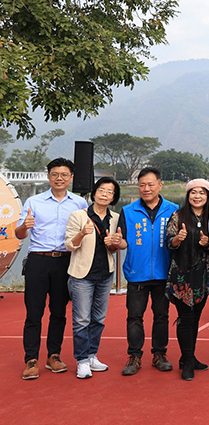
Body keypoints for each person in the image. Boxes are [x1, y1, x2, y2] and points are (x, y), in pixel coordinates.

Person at [16, 157, 88, 380]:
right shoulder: (34, 202)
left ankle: (53, 356)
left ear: (71, 178)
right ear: (48, 177)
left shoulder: (79, 203)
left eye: (64, 175)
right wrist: (24, 227)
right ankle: (31, 359)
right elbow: (19, 234)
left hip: (66, 261)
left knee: (59, 312)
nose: (59, 178)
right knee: (34, 312)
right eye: (55, 174)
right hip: (38, 260)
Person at [119, 167, 179, 376]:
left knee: (161, 316)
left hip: (164, 273)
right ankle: (135, 356)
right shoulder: (128, 211)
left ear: (160, 185)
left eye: (151, 184)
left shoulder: (174, 210)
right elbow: (124, 240)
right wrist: (118, 243)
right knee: (134, 317)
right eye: (142, 185)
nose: (146, 189)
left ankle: (159, 354)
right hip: (137, 273)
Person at [64, 177, 124, 379]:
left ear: (114, 197)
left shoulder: (115, 217)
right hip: (82, 275)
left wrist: (114, 243)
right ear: (94, 192)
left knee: (98, 319)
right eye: (102, 190)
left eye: (110, 192)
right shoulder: (78, 216)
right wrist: (82, 233)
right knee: (81, 320)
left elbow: (116, 247)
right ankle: (81, 361)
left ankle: (92, 355)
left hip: (105, 274)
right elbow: (69, 246)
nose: (105, 194)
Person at [165, 179, 209, 381]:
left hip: (203, 276)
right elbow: (168, 242)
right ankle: (186, 361)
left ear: (207, 196)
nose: (197, 196)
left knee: (195, 317)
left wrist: (208, 243)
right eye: (193, 192)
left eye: (202, 193)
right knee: (185, 319)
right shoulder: (178, 215)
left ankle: (190, 356)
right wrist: (178, 238)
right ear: (188, 195)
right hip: (181, 275)